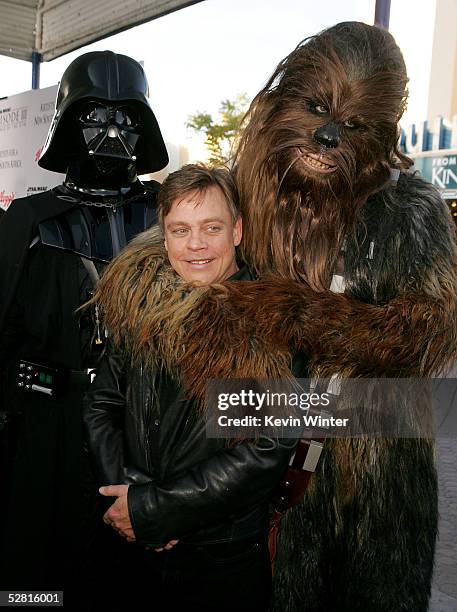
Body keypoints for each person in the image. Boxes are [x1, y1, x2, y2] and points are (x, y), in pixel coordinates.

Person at [113, 24, 457, 612]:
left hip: (368, 497)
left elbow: (425, 341)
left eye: (352, 127)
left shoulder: (409, 209)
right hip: (237, 499)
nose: (326, 136)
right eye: (319, 110)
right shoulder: (244, 187)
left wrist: (298, 317)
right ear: (283, 96)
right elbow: (139, 278)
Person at [83, 164, 305, 612]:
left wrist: (159, 510)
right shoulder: (140, 305)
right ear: (164, 238)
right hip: (129, 545)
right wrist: (128, 501)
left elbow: (266, 448)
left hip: (220, 560)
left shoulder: (274, 322)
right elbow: (102, 403)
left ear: (238, 231)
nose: (196, 245)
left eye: (212, 227)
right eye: (180, 230)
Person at [0, 50, 168, 605]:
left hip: (141, 422)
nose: (111, 132)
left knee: (130, 571)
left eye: (125, 118)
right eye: (96, 116)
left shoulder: (170, 219)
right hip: (48, 424)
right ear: (70, 121)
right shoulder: (28, 221)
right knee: (39, 577)